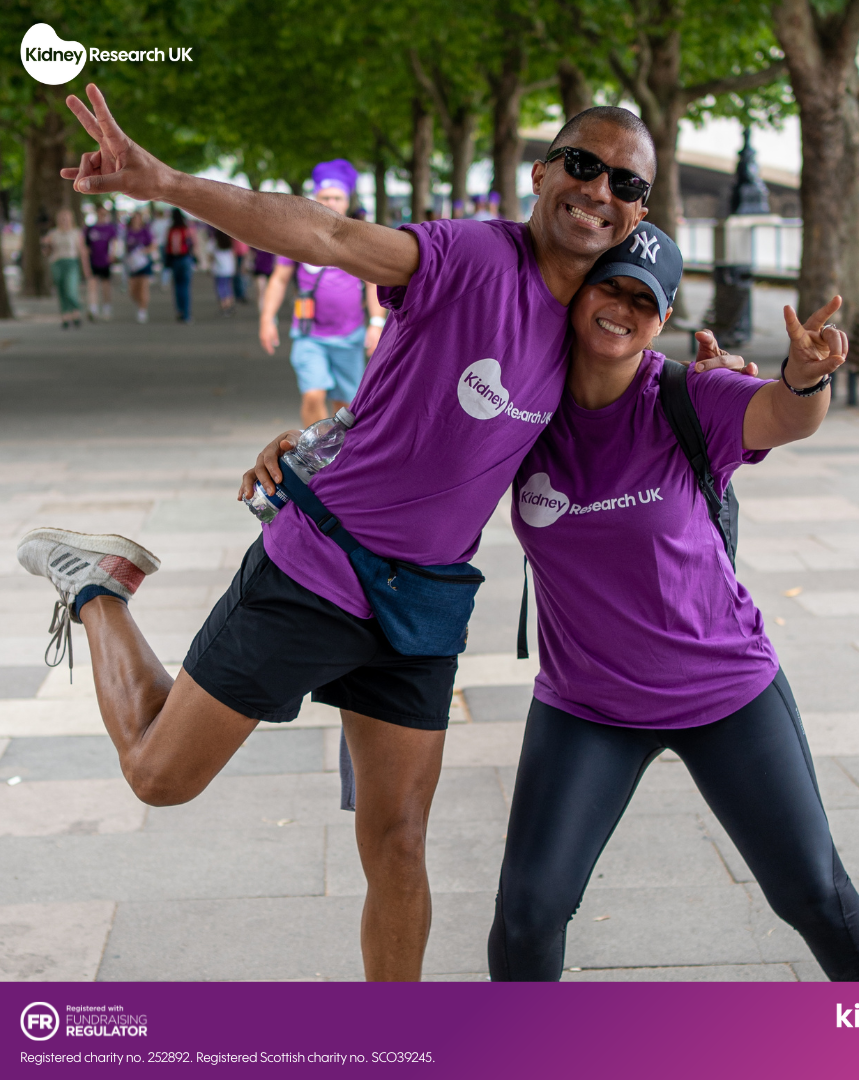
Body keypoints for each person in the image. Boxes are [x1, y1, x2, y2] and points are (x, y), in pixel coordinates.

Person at [19, 85, 662, 981]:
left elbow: (683, 408)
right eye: (583, 164)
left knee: (399, 842)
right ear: (544, 173)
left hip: (425, 604)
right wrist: (165, 182)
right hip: (320, 569)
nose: (600, 190)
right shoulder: (472, 254)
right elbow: (320, 235)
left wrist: (770, 384)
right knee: (160, 777)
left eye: (625, 183)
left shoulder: (601, 328)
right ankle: (94, 586)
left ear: (640, 212)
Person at [485, 224, 859, 982]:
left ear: (663, 318)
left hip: (725, 692)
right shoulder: (523, 407)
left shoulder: (689, 393)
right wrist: (313, 447)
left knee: (814, 895)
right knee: (528, 913)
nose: (622, 308)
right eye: (610, 285)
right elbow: (415, 438)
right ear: (578, 290)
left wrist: (805, 378)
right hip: (588, 705)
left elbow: (784, 414)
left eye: (644, 301)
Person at [258, 160, 386, 426]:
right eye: (325, 197)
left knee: (347, 408)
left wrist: (376, 322)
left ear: (347, 200)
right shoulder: (297, 237)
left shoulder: (361, 236)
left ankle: (340, 461)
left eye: (337, 197)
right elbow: (279, 279)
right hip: (309, 336)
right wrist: (267, 317)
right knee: (313, 396)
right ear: (315, 198)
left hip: (349, 336)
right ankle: (314, 458)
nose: (331, 203)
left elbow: (374, 283)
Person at [43, 208, 89, 328]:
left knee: (71, 289)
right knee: (61, 290)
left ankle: (77, 311)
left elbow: (82, 251)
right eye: (62, 218)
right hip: (57, 263)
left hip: (71, 263)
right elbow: (47, 252)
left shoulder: (76, 233)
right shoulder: (53, 233)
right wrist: (45, 244)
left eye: (66, 218)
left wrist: (86, 269)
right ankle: (65, 316)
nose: (64, 221)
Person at [83, 210, 117, 320]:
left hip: (105, 261)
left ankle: (107, 308)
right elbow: (85, 246)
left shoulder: (110, 228)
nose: (101, 216)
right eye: (100, 214)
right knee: (92, 285)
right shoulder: (90, 229)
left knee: (105, 286)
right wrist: (86, 263)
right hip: (93, 260)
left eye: (104, 214)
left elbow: (114, 242)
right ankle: (93, 309)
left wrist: (112, 255)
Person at [165, 208, 196, 322]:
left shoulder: (171, 230)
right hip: (185, 259)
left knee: (177, 287)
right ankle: (186, 314)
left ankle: (180, 311)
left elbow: (167, 246)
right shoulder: (186, 229)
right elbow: (191, 244)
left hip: (175, 260)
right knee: (185, 287)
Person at [124, 210, 154, 323]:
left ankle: (143, 310)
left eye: (138, 219)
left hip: (144, 264)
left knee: (143, 288)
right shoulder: (128, 232)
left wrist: (144, 251)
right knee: (133, 290)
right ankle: (139, 303)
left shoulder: (145, 232)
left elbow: (153, 245)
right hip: (132, 265)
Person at [211, 229, 236, 316]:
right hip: (229, 269)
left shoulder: (214, 243)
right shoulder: (229, 243)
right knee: (228, 287)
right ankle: (229, 304)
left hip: (219, 270)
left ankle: (224, 306)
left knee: (220, 288)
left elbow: (210, 256)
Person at [251, 246, 275, 311]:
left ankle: (270, 312)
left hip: (270, 270)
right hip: (260, 270)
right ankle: (263, 313)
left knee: (269, 293)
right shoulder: (255, 242)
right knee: (261, 293)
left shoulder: (272, 243)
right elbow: (251, 254)